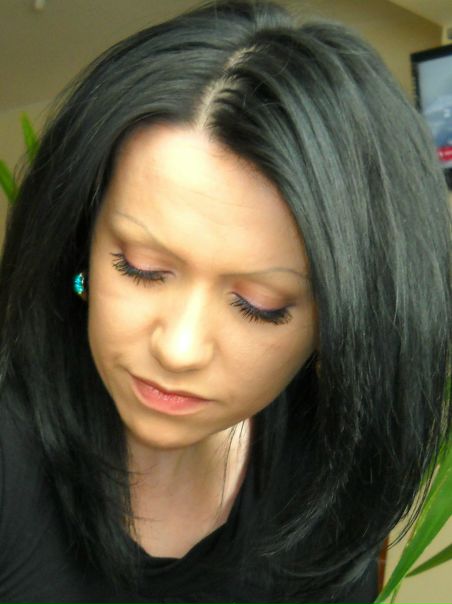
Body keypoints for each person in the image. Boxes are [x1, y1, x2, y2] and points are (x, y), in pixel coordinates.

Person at [0, 1, 450, 602]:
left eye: (261, 304)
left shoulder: (323, 484)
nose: (179, 348)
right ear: (80, 246)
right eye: (142, 268)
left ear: (337, 324)